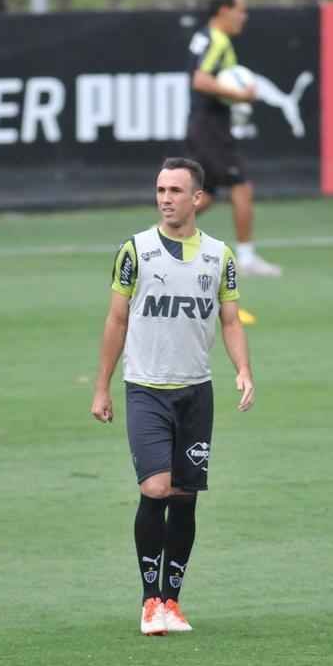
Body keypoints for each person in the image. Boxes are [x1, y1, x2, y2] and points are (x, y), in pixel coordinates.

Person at [91, 157, 255, 636]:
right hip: (146, 388)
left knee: (184, 498)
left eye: (176, 191)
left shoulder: (219, 256)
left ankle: (172, 601)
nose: (166, 198)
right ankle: (148, 601)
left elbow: (229, 320)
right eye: (161, 189)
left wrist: (243, 368)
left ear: (198, 198)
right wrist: (102, 385)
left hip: (195, 391)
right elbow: (116, 321)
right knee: (155, 489)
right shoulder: (135, 251)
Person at [185, 0, 282, 278]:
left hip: (205, 123)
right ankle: (247, 258)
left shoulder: (204, 36)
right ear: (224, 10)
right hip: (211, 126)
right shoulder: (217, 40)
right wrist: (240, 96)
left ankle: (158, 234)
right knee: (241, 186)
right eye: (241, 10)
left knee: (208, 195)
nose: (245, 16)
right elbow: (200, 81)